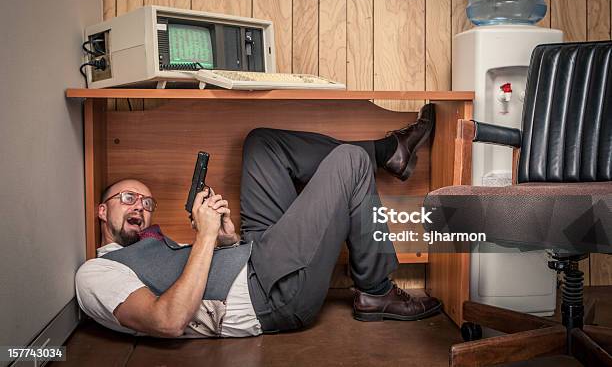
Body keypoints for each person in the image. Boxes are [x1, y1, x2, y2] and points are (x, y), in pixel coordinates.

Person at [76, 104, 441, 338]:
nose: (140, 206)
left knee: (262, 143)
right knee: (350, 162)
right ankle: (375, 291)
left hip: (256, 257)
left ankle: (392, 151)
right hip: (271, 295)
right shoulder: (97, 273)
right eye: (127, 198)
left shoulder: (153, 247)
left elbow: (204, 274)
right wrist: (203, 238)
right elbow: (167, 320)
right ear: (102, 210)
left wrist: (225, 240)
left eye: (147, 201)